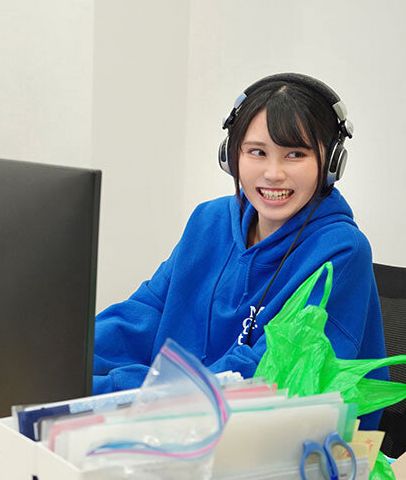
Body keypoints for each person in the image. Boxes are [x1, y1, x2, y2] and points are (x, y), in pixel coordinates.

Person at [93, 73, 387, 428]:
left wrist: (125, 392)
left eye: (295, 154)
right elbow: (145, 313)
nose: (273, 173)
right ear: (231, 156)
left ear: (331, 163)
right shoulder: (209, 222)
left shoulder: (341, 252)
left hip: (275, 441)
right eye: (257, 152)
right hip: (173, 425)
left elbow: (264, 380)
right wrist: (65, 359)